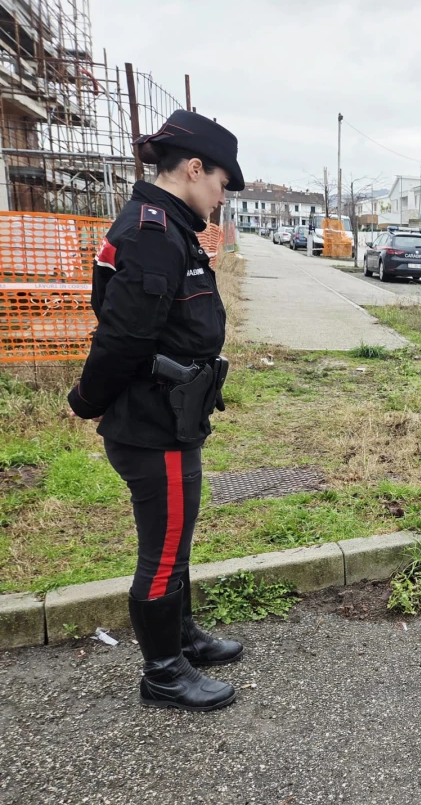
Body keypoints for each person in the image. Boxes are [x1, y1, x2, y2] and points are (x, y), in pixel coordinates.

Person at [68, 110, 246, 711]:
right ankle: (164, 673)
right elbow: (122, 338)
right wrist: (86, 402)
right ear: (194, 169)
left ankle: (183, 637)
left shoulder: (169, 226)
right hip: (151, 424)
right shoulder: (151, 232)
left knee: (177, 540)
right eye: (222, 182)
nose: (221, 197)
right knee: (164, 550)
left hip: (172, 416)